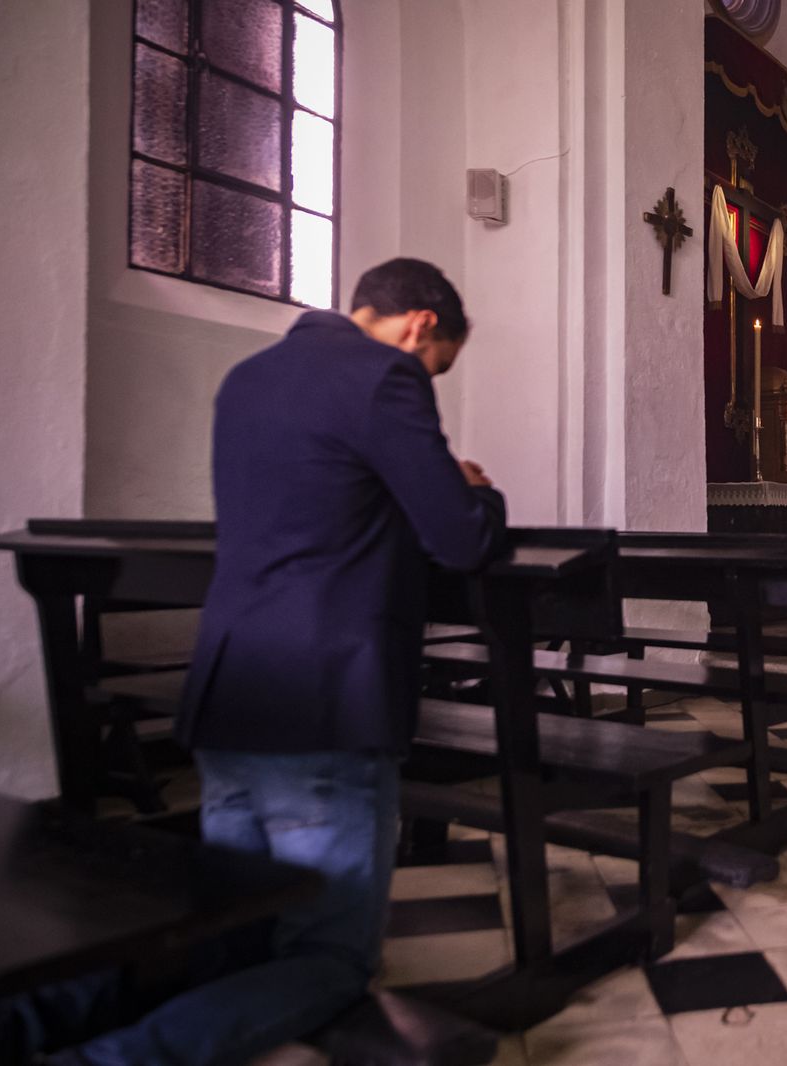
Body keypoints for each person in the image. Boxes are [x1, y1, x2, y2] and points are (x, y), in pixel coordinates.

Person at [44, 259, 508, 1065]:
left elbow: (316, 509)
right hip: (323, 701)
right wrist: (474, 489)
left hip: (230, 685)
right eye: (438, 364)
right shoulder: (385, 379)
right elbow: (460, 539)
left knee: (228, 928)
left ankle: (20, 1025)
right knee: (328, 957)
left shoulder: (248, 378)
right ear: (420, 325)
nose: (426, 375)